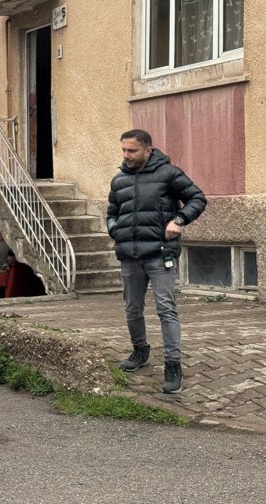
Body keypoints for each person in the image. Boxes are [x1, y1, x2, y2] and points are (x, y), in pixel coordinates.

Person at [107, 130, 207, 394]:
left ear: (148, 150)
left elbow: (197, 198)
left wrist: (179, 220)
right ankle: (140, 351)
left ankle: (173, 365)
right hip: (130, 255)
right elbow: (111, 212)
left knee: (166, 309)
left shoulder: (169, 174)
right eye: (124, 151)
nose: (126, 156)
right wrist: (114, 230)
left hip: (161, 254)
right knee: (132, 308)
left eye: (132, 151)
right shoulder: (119, 181)